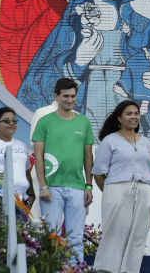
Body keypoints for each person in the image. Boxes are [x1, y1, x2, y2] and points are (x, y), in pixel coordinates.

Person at [18, 0, 149, 136]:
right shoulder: (72, 23)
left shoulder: (138, 25)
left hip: (124, 109)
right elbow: (35, 87)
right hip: (86, 110)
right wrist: (77, 63)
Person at [32, 78, 95, 262]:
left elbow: (88, 157)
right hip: (51, 188)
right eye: (65, 96)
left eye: (73, 96)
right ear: (56, 96)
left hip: (77, 187)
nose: (69, 100)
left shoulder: (83, 122)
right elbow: (38, 156)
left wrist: (89, 186)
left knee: (75, 238)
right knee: (52, 237)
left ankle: (75, 269)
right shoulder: (44, 121)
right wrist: (42, 185)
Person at [92, 100, 150, 273]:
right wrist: (111, 193)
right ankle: (106, 270)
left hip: (145, 191)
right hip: (117, 189)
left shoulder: (145, 143)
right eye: (129, 113)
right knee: (115, 233)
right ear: (119, 117)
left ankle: (130, 270)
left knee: (138, 236)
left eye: (136, 113)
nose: (133, 117)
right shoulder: (109, 140)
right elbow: (98, 173)